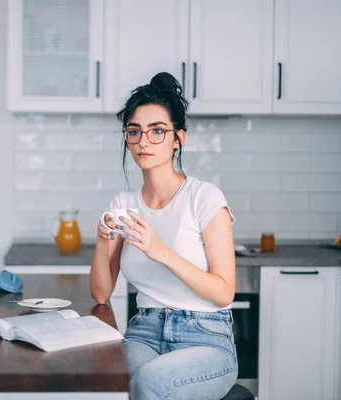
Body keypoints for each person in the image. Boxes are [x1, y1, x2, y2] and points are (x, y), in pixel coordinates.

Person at [89, 72, 238, 400]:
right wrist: (102, 240)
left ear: (178, 139)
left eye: (157, 131)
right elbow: (101, 294)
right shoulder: (124, 205)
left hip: (205, 337)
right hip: (144, 331)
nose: (144, 141)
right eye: (134, 131)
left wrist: (160, 251)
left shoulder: (205, 198)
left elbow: (224, 292)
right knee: (99, 382)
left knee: (149, 384)